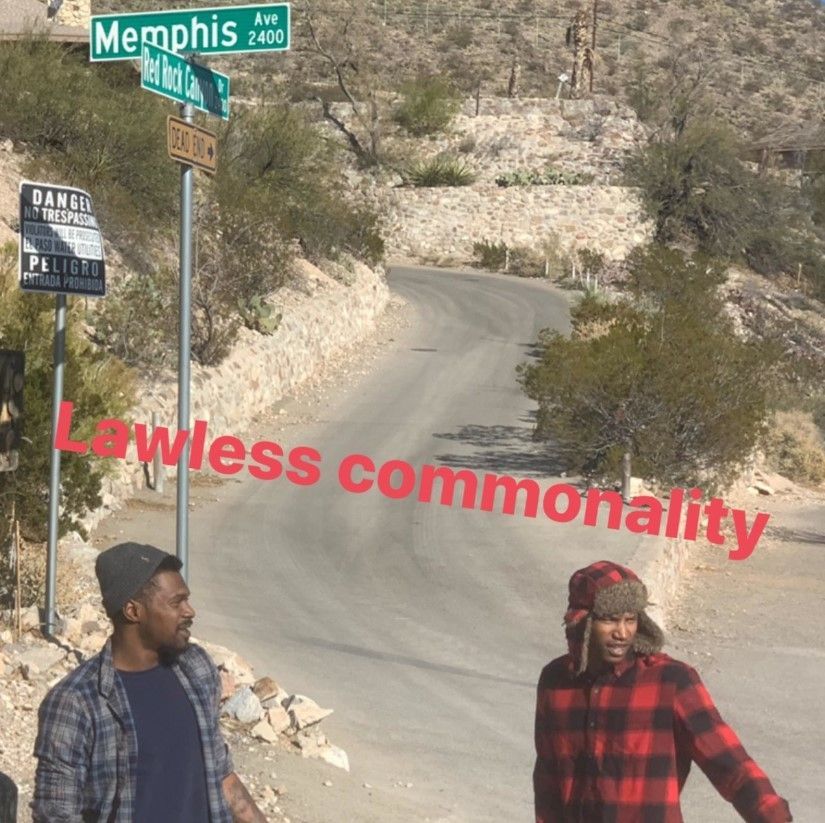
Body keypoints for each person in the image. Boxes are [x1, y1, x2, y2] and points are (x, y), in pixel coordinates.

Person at [533, 560, 792, 823]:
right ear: (583, 623)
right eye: (609, 620)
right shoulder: (555, 682)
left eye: (630, 620)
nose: (622, 632)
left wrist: (773, 816)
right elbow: (547, 777)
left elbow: (729, 763)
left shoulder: (671, 681)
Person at [32, 542, 268, 822]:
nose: (189, 611)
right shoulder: (75, 702)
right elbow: (56, 814)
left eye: (187, 600)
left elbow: (221, 775)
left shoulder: (196, 668)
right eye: (176, 602)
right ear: (133, 611)